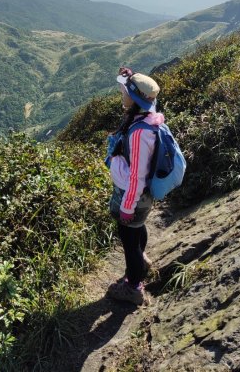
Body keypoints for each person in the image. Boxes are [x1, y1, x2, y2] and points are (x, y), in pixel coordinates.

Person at [106, 67, 164, 305]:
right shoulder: (147, 115)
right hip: (140, 197)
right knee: (137, 230)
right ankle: (141, 261)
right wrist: (127, 77)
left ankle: (134, 287)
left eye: (126, 92)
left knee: (129, 238)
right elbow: (132, 89)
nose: (122, 95)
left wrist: (127, 207)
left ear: (135, 99)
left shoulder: (140, 134)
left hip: (133, 197)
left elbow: (136, 177)